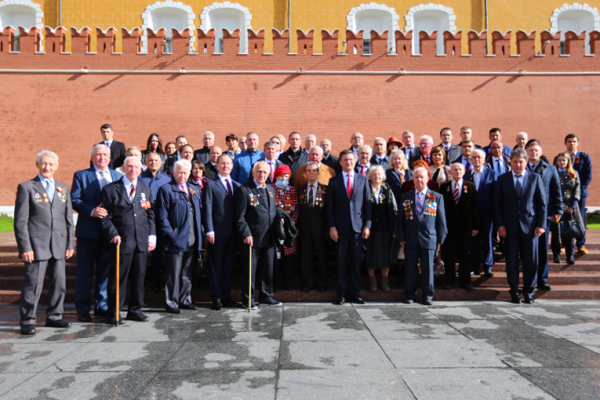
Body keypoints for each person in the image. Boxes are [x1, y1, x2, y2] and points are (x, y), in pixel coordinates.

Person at [15, 151, 74, 335]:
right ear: (37, 164)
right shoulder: (27, 187)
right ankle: (27, 320)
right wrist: (25, 247)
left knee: (59, 283)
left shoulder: (63, 189)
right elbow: (20, 221)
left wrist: (70, 244)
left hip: (59, 243)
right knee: (33, 284)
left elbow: (68, 219)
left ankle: (54, 316)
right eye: (43, 164)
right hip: (36, 245)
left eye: (51, 164)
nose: (47, 167)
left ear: (56, 166)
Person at [101, 156, 156, 324]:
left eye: (136, 167)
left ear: (140, 169)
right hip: (121, 242)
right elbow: (105, 217)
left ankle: (135, 310)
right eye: (130, 167)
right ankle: (114, 312)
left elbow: (150, 214)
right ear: (123, 168)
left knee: (139, 277)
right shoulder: (110, 189)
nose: (133, 170)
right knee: (118, 278)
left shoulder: (144, 189)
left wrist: (151, 236)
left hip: (141, 242)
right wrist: (113, 234)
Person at [71, 144, 123, 322]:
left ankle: (101, 306)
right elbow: (75, 200)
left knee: (105, 272)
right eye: (98, 155)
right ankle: (83, 308)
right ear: (92, 157)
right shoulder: (81, 175)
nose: (102, 158)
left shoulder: (118, 176)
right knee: (85, 272)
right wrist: (92, 211)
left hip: (109, 233)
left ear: (110, 158)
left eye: (105, 155)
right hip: (88, 231)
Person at [495, 149, 547, 304]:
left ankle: (529, 291)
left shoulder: (535, 178)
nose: (518, 164)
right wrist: (500, 225)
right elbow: (497, 204)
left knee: (531, 261)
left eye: (521, 161)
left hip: (531, 228)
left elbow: (542, 204)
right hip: (510, 227)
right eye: (515, 161)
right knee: (511, 260)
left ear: (526, 162)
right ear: (510, 161)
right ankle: (514, 291)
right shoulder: (502, 179)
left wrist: (541, 225)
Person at [156, 159, 202, 313]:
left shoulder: (193, 189)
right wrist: (171, 233)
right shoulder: (166, 189)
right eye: (179, 172)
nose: (182, 175)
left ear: (189, 174)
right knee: (173, 273)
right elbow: (162, 216)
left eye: (185, 172)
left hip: (192, 238)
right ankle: (172, 302)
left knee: (187, 272)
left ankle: (184, 299)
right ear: (173, 173)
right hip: (175, 239)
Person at [326, 149, 371, 305]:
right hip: (340, 229)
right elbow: (329, 207)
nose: (348, 162)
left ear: (355, 161)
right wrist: (332, 227)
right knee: (341, 261)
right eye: (345, 160)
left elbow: (367, 205)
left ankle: (355, 292)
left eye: (351, 159)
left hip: (358, 228)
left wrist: (367, 225)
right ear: (340, 162)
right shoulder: (334, 181)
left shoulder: (363, 180)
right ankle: (341, 293)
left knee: (357, 262)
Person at [397, 167, 447, 305]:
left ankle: (427, 295)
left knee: (428, 268)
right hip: (410, 238)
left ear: (427, 179)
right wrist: (401, 236)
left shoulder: (436, 197)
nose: (419, 180)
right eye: (416, 177)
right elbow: (400, 219)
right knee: (410, 268)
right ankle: (410, 295)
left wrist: (440, 239)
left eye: (422, 177)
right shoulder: (405, 196)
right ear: (413, 179)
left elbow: (441, 220)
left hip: (429, 237)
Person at [235, 161, 281, 309]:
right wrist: (246, 233)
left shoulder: (270, 189)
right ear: (253, 172)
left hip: (269, 236)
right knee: (250, 270)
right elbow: (240, 217)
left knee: (268, 268)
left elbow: (272, 211)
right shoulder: (244, 189)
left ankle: (267, 296)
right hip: (252, 238)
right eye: (259, 171)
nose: (262, 174)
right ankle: (248, 300)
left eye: (265, 172)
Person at [202, 154, 241, 310]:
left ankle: (225, 295)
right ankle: (216, 297)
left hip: (233, 233)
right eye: (222, 163)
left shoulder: (237, 185)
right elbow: (207, 209)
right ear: (217, 165)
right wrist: (209, 230)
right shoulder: (210, 184)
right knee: (216, 266)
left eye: (228, 163)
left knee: (229, 266)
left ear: (232, 166)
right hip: (217, 233)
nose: (225, 166)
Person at [526, 142, 563, 291]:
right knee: (527, 249)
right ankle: (528, 279)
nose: (533, 152)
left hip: (544, 214)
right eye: (531, 150)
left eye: (536, 150)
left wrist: (558, 210)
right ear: (526, 152)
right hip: (526, 214)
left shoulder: (550, 169)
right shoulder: (521, 167)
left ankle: (542, 279)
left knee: (542, 249)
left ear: (541, 153)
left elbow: (556, 190)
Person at [440, 163, 479, 290]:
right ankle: (449, 282)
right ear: (450, 171)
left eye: (460, 169)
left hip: (466, 228)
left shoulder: (471, 186)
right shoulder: (444, 187)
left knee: (464, 256)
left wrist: (475, 227)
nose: (457, 171)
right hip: (449, 228)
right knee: (449, 256)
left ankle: (465, 282)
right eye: (455, 169)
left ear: (464, 171)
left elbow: (475, 208)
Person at [139, 152, 171, 292]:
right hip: (141, 222)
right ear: (146, 162)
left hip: (159, 222)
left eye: (156, 160)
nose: (153, 162)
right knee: (142, 254)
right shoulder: (139, 178)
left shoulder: (167, 179)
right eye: (150, 160)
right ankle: (141, 281)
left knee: (158, 254)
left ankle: (155, 281)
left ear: (161, 162)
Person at [557, 134, 592, 255]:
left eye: (574, 141)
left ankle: (580, 244)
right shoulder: (560, 157)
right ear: (565, 143)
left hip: (579, 195)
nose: (571, 143)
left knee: (579, 219)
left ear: (578, 143)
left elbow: (588, 175)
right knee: (563, 219)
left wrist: (580, 189)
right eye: (569, 141)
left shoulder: (584, 157)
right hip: (563, 196)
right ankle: (564, 244)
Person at [297, 162, 329, 292]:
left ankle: (322, 282)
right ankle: (308, 282)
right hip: (304, 228)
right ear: (304, 173)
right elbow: (298, 209)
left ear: (318, 172)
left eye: (314, 170)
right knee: (306, 258)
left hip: (320, 229)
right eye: (309, 170)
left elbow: (328, 210)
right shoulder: (300, 189)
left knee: (322, 257)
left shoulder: (325, 189)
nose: (311, 172)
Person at [366, 166, 397, 292]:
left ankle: (384, 281)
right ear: (370, 176)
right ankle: (372, 281)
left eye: (379, 174)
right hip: (370, 229)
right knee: (371, 255)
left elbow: (394, 209)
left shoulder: (387, 189)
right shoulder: (366, 189)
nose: (377, 176)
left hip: (385, 228)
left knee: (385, 255)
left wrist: (395, 229)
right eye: (374, 174)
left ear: (383, 176)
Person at [467, 149, 498, 277]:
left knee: (488, 241)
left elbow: (496, 194)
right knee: (473, 242)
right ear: (471, 160)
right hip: (472, 214)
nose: (477, 160)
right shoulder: (466, 175)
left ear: (484, 159)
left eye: (479, 157)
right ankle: (474, 267)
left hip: (487, 213)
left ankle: (488, 267)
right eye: (474, 157)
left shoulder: (492, 173)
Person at [551, 153, 583, 265]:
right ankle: (556, 255)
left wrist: (572, 206)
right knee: (556, 232)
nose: (561, 162)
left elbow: (577, 191)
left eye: (564, 160)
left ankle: (570, 256)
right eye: (559, 160)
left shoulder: (574, 174)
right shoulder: (552, 173)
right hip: (557, 207)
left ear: (568, 161)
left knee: (570, 232)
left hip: (570, 208)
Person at [272, 165, 299, 291]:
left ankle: (287, 281)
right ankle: (276, 281)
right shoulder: (271, 189)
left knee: (288, 257)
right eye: (281, 176)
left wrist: (290, 224)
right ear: (276, 177)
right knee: (276, 257)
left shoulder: (293, 190)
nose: (283, 178)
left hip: (289, 229)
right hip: (275, 229)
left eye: (286, 176)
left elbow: (297, 209)